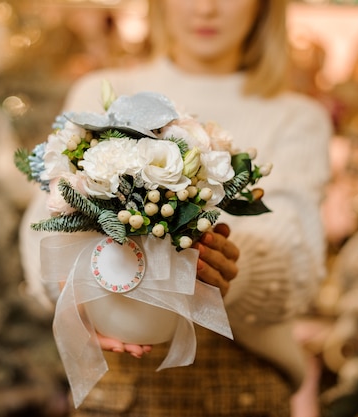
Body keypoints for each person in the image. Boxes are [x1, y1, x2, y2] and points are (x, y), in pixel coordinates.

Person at [19, 0, 332, 415]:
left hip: (242, 384)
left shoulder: (297, 117)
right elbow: (43, 218)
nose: (206, 9)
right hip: (118, 383)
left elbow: (300, 262)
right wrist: (71, 292)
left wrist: (230, 270)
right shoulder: (100, 92)